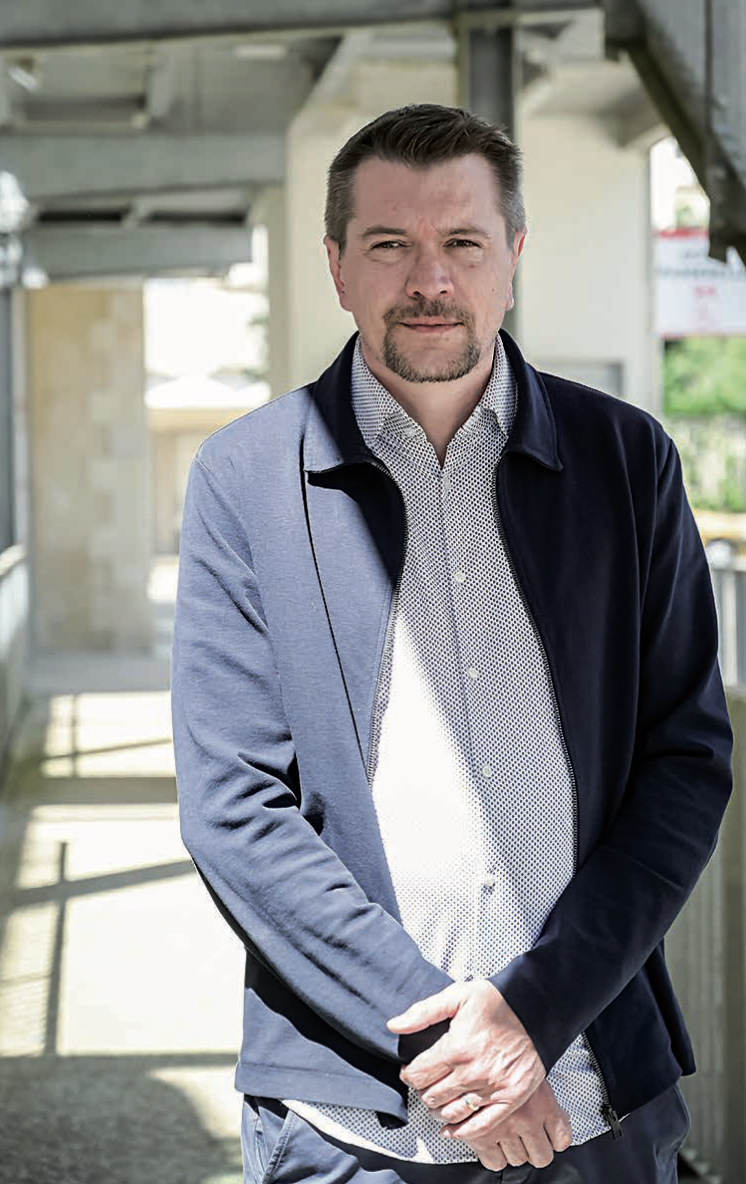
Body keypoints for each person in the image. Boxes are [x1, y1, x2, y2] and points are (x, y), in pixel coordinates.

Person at [170, 104, 732, 1184]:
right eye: (389, 244)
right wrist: (460, 1049)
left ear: (511, 255)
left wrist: (533, 1012)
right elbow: (233, 806)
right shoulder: (244, 481)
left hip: (590, 1095)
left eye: (462, 242)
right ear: (335, 265)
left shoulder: (627, 462)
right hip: (351, 1119)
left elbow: (685, 762)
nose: (429, 279)